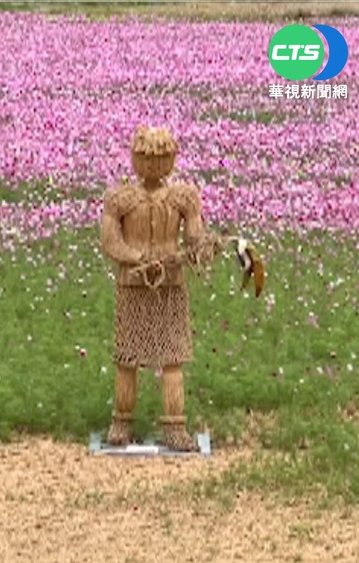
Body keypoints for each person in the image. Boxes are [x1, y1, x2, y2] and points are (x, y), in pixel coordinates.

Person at [99, 125, 223, 451]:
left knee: (172, 358)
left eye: (161, 158)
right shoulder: (120, 199)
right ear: (135, 159)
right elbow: (110, 242)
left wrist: (204, 246)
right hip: (133, 285)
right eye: (146, 158)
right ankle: (121, 423)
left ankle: (174, 427)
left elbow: (194, 237)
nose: (153, 165)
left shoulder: (184, 197)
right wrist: (137, 258)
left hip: (169, 286)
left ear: (171, 160)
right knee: (127, 357)